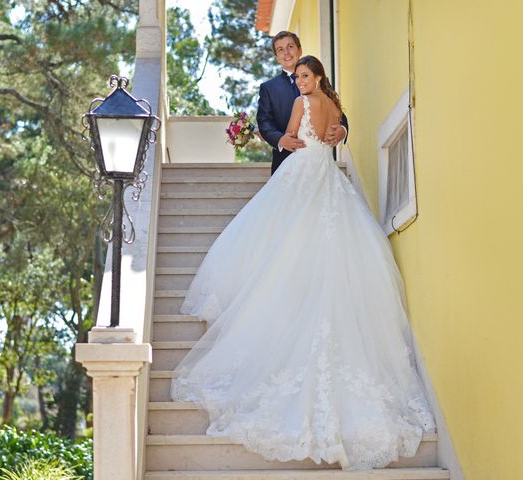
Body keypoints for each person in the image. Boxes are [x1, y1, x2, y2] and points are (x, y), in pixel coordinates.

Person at [170, 55, 435, 471]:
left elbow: (293, 137)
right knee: (324, 237)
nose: (299, 82)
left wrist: (290, 137)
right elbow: (336, 133)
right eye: (297, 77)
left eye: (304, 76)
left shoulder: (302, 102)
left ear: (316, 77)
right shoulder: (333, 103)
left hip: (303, 170)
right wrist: (337, 131)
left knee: (279, 233)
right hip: (327, 177)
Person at [258, 31, 348, 174]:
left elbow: (337, 111)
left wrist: (343, 130)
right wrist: (281, 140)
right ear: (276, 57)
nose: (286, 52)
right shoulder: (268, 88)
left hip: (319, 165)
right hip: (284, 164)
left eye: (290, 46)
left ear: (299, 50)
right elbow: (264, 122)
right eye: (280, 50)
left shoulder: (321, 81)